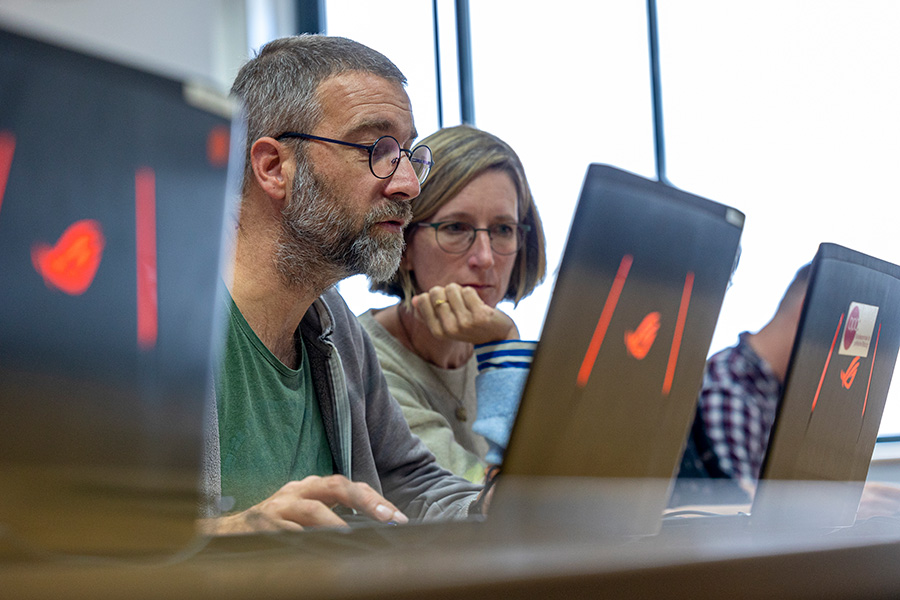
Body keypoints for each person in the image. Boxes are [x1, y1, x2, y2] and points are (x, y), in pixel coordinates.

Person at [199, 35, 483, 534]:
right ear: (273, 167)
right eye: (376, 149)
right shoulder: (151, 321)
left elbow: (409, 482)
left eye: (409, 154)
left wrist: (496, 506)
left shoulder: (334, 326)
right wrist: (227, 534)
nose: (408, 186)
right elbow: (63, 535)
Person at [360, 125, 546, 482]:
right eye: (456, 228)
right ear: (404, 243)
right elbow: (491, 500)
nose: (485, 258)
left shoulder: (499, 351)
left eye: (503, 229)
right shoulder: (363, 362)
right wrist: (504, 343)